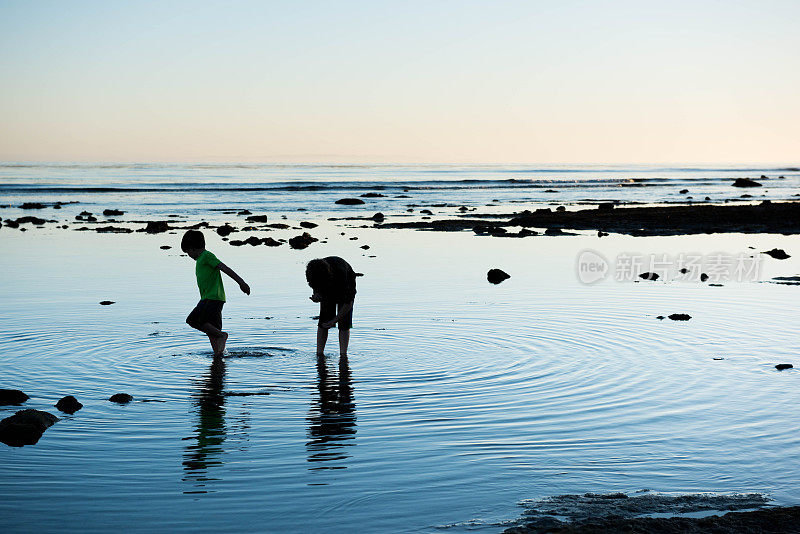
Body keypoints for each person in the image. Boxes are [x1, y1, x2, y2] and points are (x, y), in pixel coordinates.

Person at [181, 230, 250, 355]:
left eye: (188, 252)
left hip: (211, 298)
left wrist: (241, 282)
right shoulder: (201, 259)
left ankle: (222, 336)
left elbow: (225, 268)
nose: (189, 255)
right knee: (211, 330)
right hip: (214, 298)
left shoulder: (206, 256)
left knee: (193, 320)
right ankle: (219, 355)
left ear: (193, 248)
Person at [306, 256, 356, 357]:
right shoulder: (314, 272)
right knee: (324, 322)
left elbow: (348, 304)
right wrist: (317, 296)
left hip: (345, 279)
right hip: (326, 280)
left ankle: (343, 355)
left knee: (344, 324)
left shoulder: (342, 276)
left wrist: (334, 320)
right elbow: (315, 285)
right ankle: (319, 353)